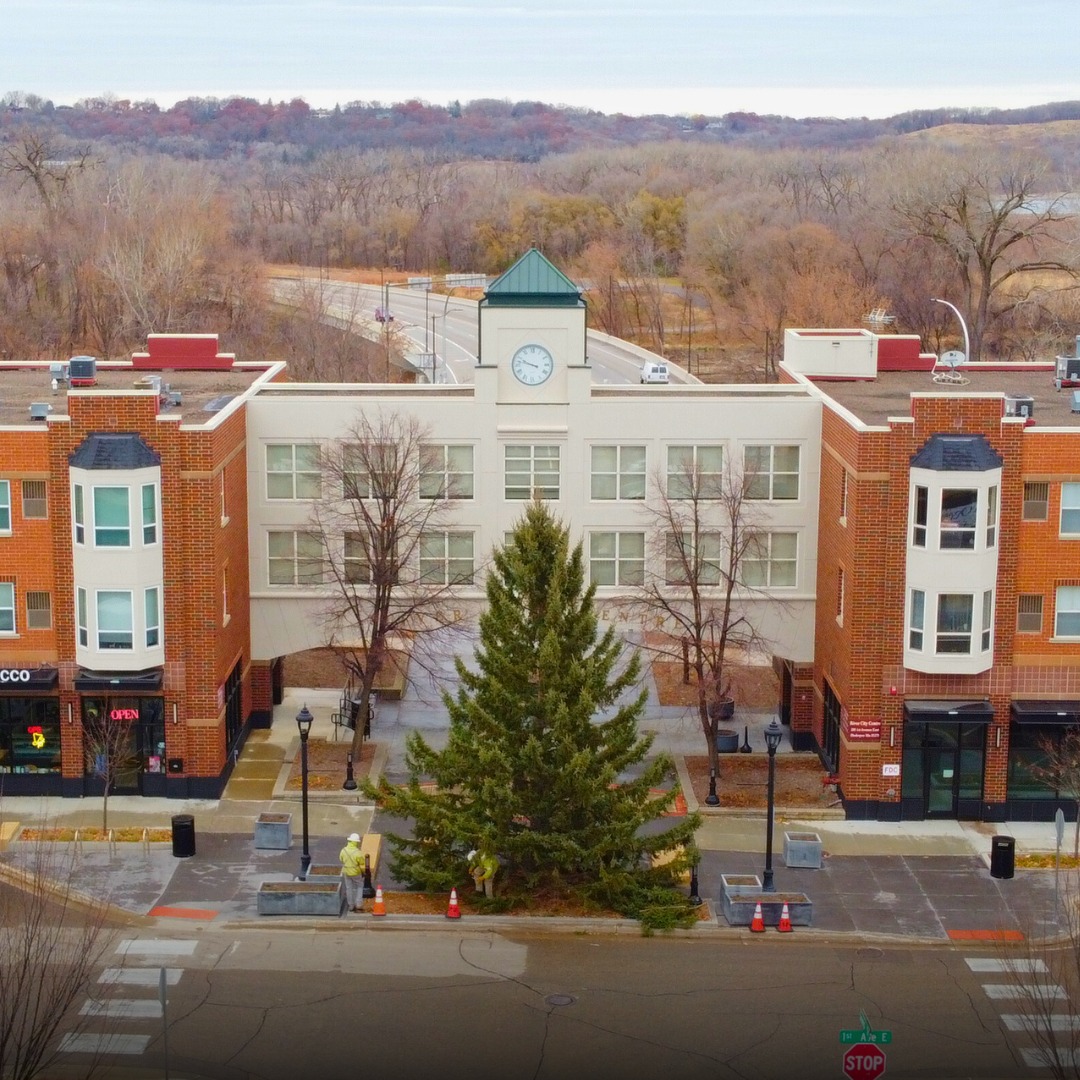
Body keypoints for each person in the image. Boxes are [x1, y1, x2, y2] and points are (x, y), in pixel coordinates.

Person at [339, 832, 365, 912]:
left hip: (346, 871)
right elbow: (362, 862)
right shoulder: (357, 852)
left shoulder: (343, 850)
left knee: (349, 888)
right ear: (356, 842)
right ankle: (358, 903)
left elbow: (341, 859)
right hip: (355, 872)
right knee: (360, 886)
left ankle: (351, 905)